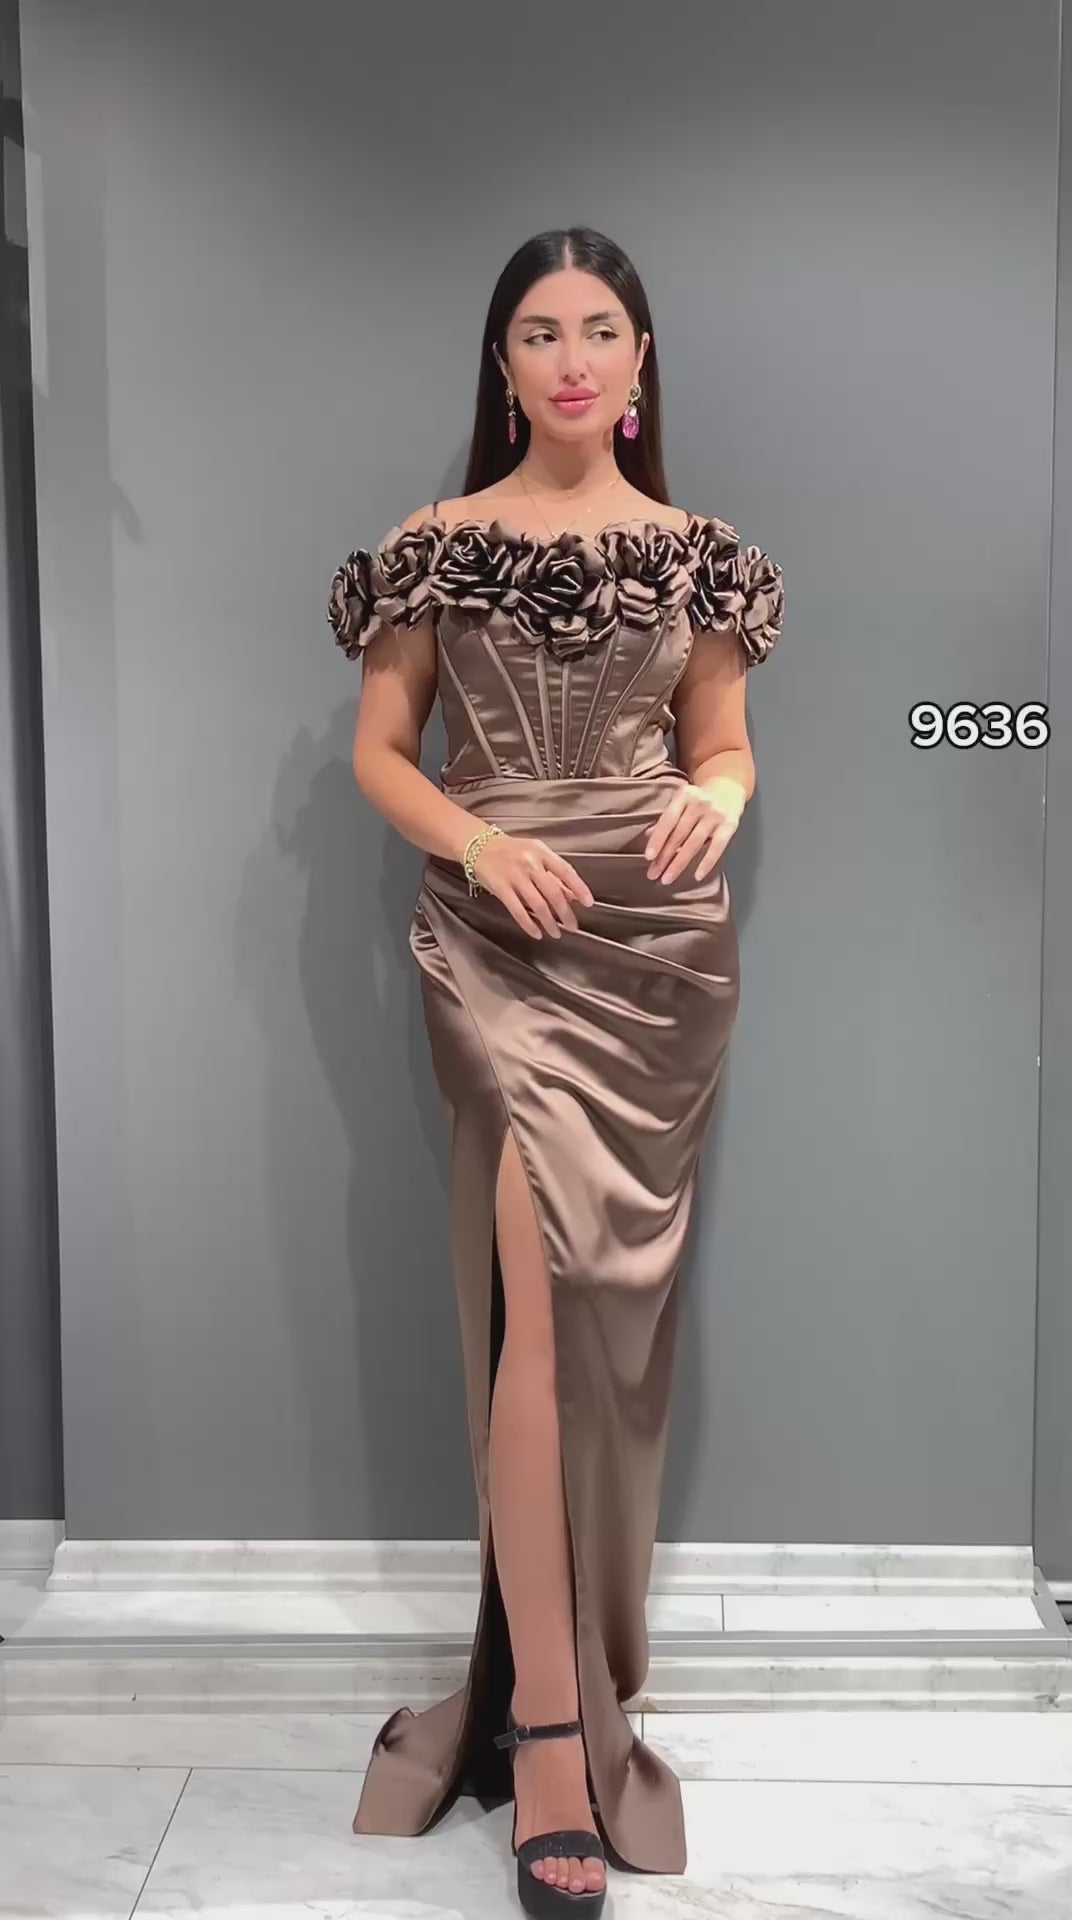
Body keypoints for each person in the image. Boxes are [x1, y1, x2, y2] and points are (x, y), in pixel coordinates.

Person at [326, 224, 784, 1917]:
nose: (572, 358)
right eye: (540, 331)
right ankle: (543, 1741)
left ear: (641, 359)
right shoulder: (435, 547)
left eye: (600, 328)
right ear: (502, 364)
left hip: (656, 952)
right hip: (501, 933)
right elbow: (384, 752)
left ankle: (574, 1691)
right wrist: (474, 842)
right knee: (535, 1306)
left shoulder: (700, 558)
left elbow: (725, 744)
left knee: (602, 1329)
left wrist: (716, 799)